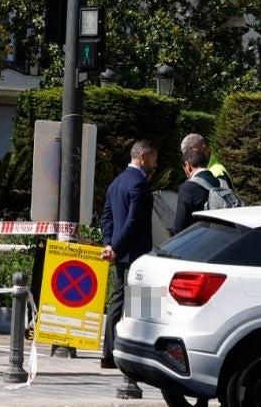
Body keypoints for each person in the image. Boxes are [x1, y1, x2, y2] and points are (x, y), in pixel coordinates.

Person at [100, 138, 158, 400]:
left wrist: (109, 245)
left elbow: (107, 217)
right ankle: (141, 356)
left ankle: (109, 353)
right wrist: (118, 247)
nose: (155, 164)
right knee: (143, 306)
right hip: (138, 255)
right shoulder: (139, 185)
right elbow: (134, 222)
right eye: (154, 158)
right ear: (143, 157)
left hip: (120, 254)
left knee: (117, 299)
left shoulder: (116, 182)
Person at [172, 133, 240, 231]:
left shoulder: (217, 172)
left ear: (204, 149)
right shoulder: (211, 169)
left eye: (191, 152)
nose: (189, 157)